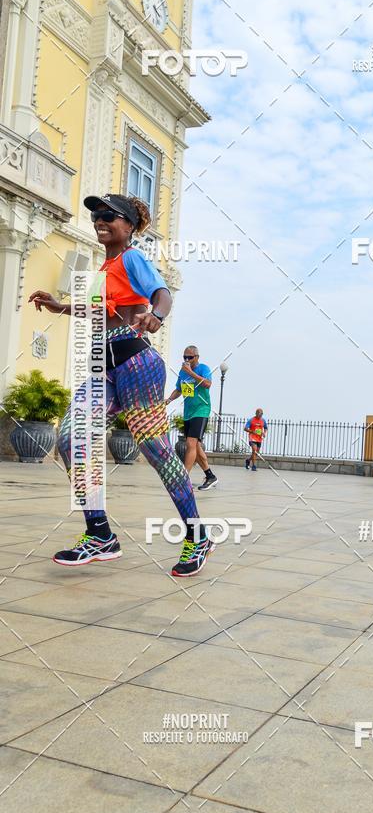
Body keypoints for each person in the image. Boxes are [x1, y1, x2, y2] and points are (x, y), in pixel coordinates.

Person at [29, 193, 214, 577]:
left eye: (108, 215)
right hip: (106, 368)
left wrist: (158, 317)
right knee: (69, 437)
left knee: (157, 452)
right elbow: (97, 310)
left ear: (128, 226)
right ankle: (100, 535)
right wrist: (58, 306)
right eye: (96, 215)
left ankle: (198, 536)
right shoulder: (104, 268)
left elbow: (161, 294)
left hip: (136, 363)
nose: (99, 220)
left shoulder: (132, 257)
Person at [166, 346, 217, 491]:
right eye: (185, 357)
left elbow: (207, 384)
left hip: (201, 410)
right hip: (188, 412)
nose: (187, 360)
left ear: (197, 357)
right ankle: (210, 476)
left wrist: (191, 373)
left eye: (190, 357)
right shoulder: (182, 372)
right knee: (196, 446)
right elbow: (179, 390)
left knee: (190, 443)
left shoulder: (203, 369)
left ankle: (184, 478)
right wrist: (169, 400)